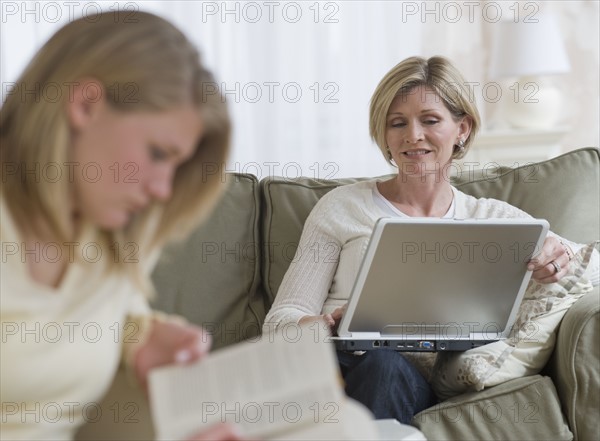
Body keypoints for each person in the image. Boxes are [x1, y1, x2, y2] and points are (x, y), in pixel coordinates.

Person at [263, 56, 600, 424]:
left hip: (413, 379)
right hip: (339, 366)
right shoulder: (341, 208)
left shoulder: (493, 220)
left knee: (386, 366)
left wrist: (559, 253)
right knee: (376, 362)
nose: (412, 136)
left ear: (463, 129)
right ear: (384, 134)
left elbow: (589, 265)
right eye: (397, 123)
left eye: (430, 120)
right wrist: (328, 323)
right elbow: (279, 323)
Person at [0, 11, 242, 441]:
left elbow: (120, 317)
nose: (164, 190)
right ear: (85, 104)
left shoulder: (111, 240)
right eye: (157, 153)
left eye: (176, 165)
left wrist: (145, 339)